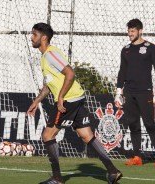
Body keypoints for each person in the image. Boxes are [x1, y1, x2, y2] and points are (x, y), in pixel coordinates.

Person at [27, 22, 122, 184]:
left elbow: (70, 73)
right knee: (86, 136)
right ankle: (112, 171)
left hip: (69, 100)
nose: (31, 38)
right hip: (76, 98)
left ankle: (57, 178)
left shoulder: (50, 54)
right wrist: (36, 101)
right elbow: (48, 85)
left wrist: (62, 97)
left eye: (34, 35)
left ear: (44, 38)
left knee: (47, 135)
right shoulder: (45, 57)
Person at [114, 18, 155, 167]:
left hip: (145, 91)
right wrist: (119, 91)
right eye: (128, 31)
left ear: (140, 31)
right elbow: (122, 71)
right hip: (129, 92)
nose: (129, 34)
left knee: (149, 124)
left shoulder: (150, 47)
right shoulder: (125, 49)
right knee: (133, 124)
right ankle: (137, 156)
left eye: (132, 31)